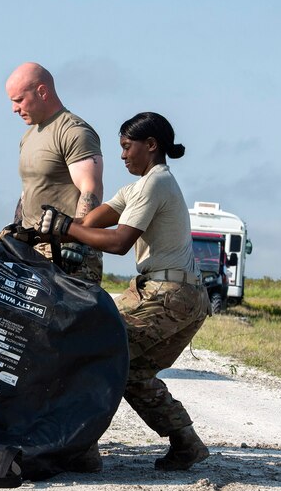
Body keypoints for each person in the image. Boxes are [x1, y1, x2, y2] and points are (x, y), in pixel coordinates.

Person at [39, 112, 211, 471]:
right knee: (131, 373)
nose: (122, 156)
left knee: (96, 354)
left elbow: (118, 242)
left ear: (151, 146)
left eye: (126, 147)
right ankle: (186, 444)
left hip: (169, 294)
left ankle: (81, 449)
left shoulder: (155, 184)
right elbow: (91, 222)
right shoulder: (137, 188)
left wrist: (67, 226)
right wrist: (52, 228)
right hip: (182, 295)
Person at [4, 62, 104, 282]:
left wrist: (77, 243)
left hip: (68, 255)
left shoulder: (73, 131)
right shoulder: (29, 136)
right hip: (33, 252)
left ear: (42, 91)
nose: (14, 108)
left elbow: (91, 188)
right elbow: (29, 191)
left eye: (19, 100)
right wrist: (15, 235)